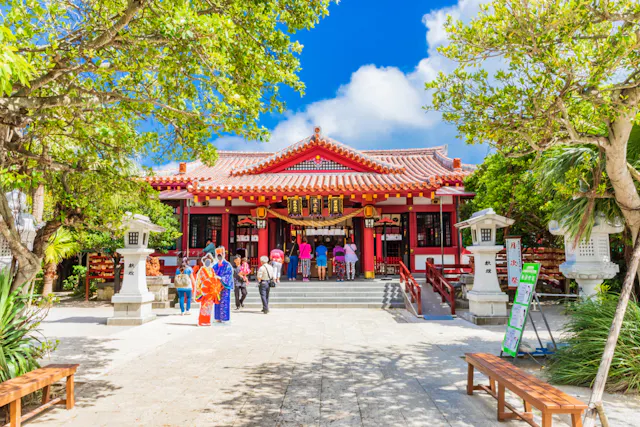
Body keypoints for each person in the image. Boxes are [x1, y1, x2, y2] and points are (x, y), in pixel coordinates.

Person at [194, 253, 223, 326]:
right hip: (204, 290)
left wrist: (217, 278)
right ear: (204, 262)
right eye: (206, 261)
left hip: (210, 290)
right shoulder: (202, 270)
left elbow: (213, 278)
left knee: (209, 306)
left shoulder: (211, 270)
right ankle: (201, 321)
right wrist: (199, 289)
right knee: (204, 306)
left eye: (209, 261)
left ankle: (207, 320)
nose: (208, 263)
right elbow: (199, 280)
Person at [212, 246, 234, 323]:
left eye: (220, 255)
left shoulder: (227, 265)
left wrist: (221, 278)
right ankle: (217, 317)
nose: (219, 257)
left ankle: (224, 318)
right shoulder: (214, 266)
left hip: (224, 287)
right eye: (218, 255)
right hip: (217, 287)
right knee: (217, 301)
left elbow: (228, 275)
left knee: (224, 301)